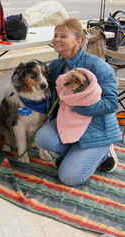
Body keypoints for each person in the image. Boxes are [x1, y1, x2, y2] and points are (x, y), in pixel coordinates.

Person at [34, 18, 121, 186]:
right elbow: (45, 93)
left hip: (95, 128)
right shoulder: (56, 66)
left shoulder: (98, 66)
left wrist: (78, 107)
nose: (57, 39)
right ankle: (75, 154)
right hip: (68, 122)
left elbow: (111, 103)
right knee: (42, 137)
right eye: (55, 35)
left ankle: (105, 153)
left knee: (69, 178)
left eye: (63, 36)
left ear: (79, 41)